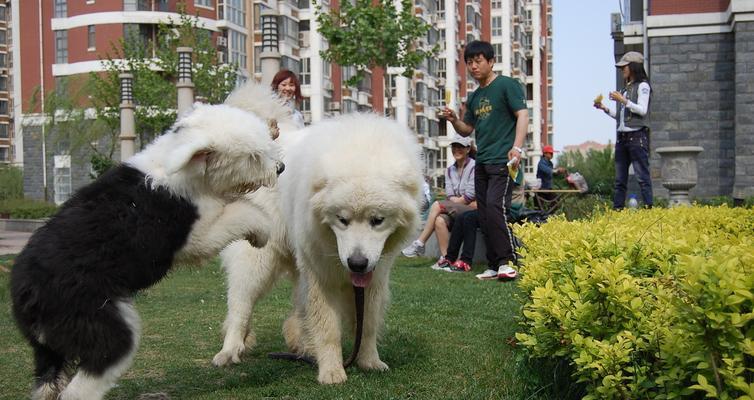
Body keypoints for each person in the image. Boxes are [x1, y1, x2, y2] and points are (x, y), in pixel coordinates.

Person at [439, 40, 528, 281]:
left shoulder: (507, 85)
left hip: (505, 161)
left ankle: (508, 261)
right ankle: (493, 264)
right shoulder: (475, 96)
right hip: (482, 163)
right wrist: (453, 120)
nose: (473, 66)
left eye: (478, 61)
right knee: (485, 214)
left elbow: (523, 115)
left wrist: (517, 148)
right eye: (469, 62)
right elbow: (467, 129)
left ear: (491, 61)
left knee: (496, 209)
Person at [402, 136, 476, 262]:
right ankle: (446, 259)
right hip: (455, 208)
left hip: (470, 208)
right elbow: (449, 194)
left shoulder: (475, 167)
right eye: (454, 147)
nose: (456, 150)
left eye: (460, 147)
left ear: (468, 149)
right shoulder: (449, 170)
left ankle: (420, 243)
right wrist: (453, 203)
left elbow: (469, 196)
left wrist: (451, 203)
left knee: (437, 205)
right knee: (439, 221)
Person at [594, 51, 653, 209]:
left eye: (624, 67)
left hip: (637, 136)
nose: (622, 70)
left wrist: (623, 100)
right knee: (620, 180)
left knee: (642, 177)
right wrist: (605, 108)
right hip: (622, 138)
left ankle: (649, 209)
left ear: (633, 67)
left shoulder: (643, 86)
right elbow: (621, 117)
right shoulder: (625, 89)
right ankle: (617, 210)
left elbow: (642, 110)